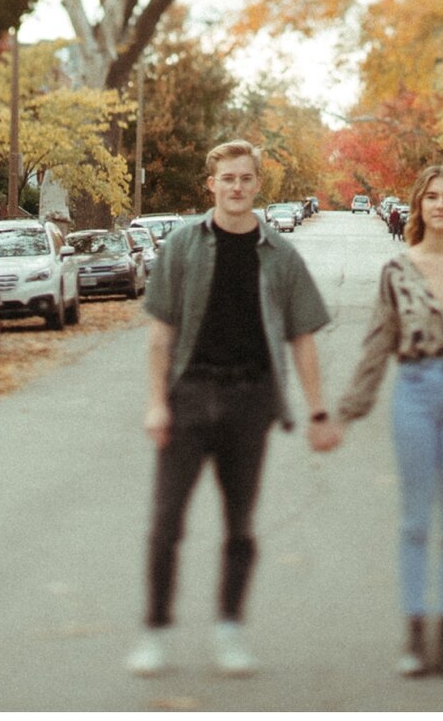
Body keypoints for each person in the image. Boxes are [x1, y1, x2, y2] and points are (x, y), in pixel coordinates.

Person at [131, 140, 336, 679]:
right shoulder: (182, 245)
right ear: (212, 184)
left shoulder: (280, 255)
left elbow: (303, 336)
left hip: (251, 401)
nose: (237, 187)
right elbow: (160, 334)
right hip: (189, 398)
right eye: (227, 178)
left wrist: (317, 411)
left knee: (239, 524)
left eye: (246, 178)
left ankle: (229, 629)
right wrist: (156, 403)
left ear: (257, 184)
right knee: (166, 522)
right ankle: (155, 630)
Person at [331, 164, 443, 679]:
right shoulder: (398, 270)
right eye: (430, 197)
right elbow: (376, 345)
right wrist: (348, 410)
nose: (439, 205)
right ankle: (414, 640)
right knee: (415, 521)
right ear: (418, 207)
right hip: (414, 392)